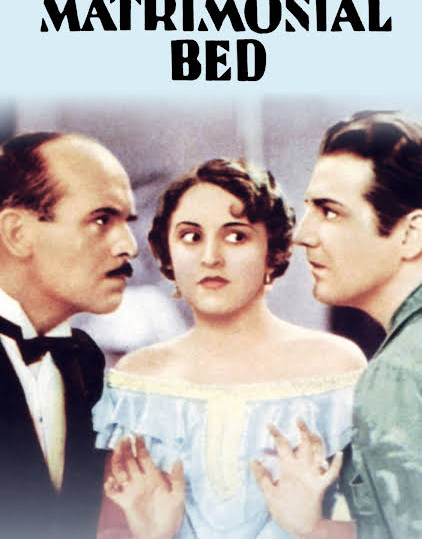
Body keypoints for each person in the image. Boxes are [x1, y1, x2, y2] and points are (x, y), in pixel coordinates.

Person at [93, 158, 366, 539]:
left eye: (236, 236)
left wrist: (313, 527)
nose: (210, 257)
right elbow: (107, 529)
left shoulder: (334, 366)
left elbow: (396, 524)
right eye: (191, 237)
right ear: (168, 254)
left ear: (273, 251)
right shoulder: (136, 378)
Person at [252, 111, 422, 538]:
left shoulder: (398, 374)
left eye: (329, 212)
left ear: (412, 234)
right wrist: (314, 527)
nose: (303, 235)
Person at [0, 132, 138, 539]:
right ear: (18, 234)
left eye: (126, 223)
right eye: (102, 220)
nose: (128, 246)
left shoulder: (83, 360)